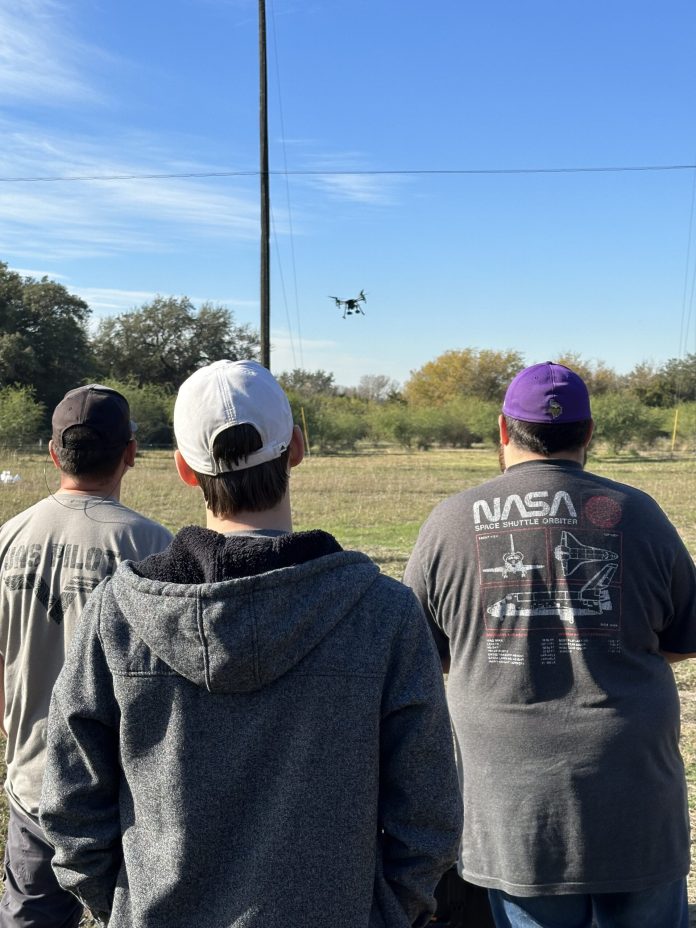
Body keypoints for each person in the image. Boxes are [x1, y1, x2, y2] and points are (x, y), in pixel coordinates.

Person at [40, 359, 462, 928]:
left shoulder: (117, 614)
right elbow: (429, 811)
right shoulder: (382, 613)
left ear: (185, 469)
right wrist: (387, 911)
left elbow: (69, 803)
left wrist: (123, 904)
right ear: (297, 448)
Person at [404, 361, 696, 928]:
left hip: (515, 807)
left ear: (503, 430)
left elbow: (424, 653)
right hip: (633, 788)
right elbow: (685, 637)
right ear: (588, 434)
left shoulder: (449, 522)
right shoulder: (639, 513)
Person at [0, 383, 173, 926]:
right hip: (127, 790)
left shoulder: (7, 538)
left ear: (54, 453)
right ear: (130, 452)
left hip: (33, 778)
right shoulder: (154, 547)